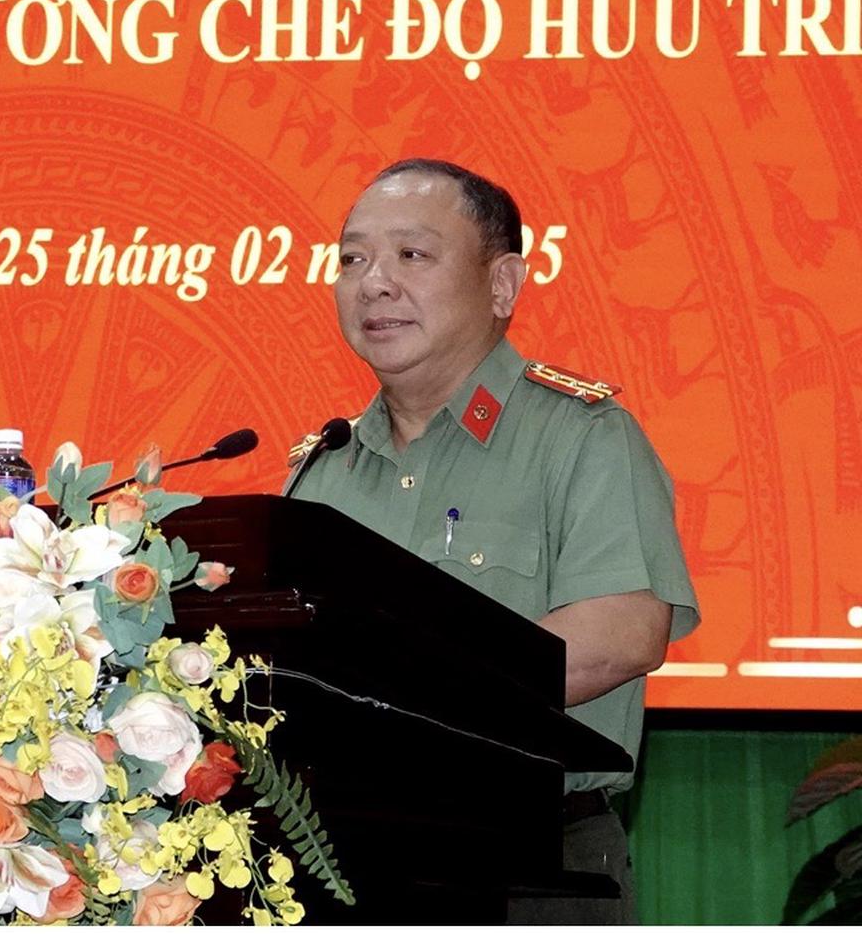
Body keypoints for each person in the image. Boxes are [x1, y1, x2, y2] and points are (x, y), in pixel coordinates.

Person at [286, 157, 700, 924]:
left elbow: (621, 633)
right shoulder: (321, 471)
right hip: (343, 863)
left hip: (531, 869)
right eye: (352, 259)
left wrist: (405, 694)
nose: (374, 282)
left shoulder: (582, 437)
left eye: (412, 254)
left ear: (503, 284)